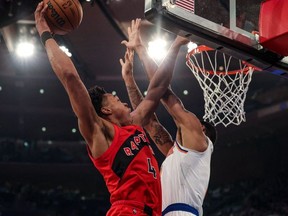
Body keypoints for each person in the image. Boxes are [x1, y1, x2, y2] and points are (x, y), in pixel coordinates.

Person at [34, 3, 187, 215]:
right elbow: (70, 77)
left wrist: (175, 45)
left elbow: (159, 87)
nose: (122, 101)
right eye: (114, 99)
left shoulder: (134, 125)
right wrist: (44, 33)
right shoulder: (101, 132)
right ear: (105, 111)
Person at [121, 19, 217, 216]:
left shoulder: (199, 140)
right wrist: (130, 81)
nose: (189, 117)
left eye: (195, 119)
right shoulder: (180, 154)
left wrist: (144, 48)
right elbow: (148, 121)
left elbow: (164, 93)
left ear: (203, 130)